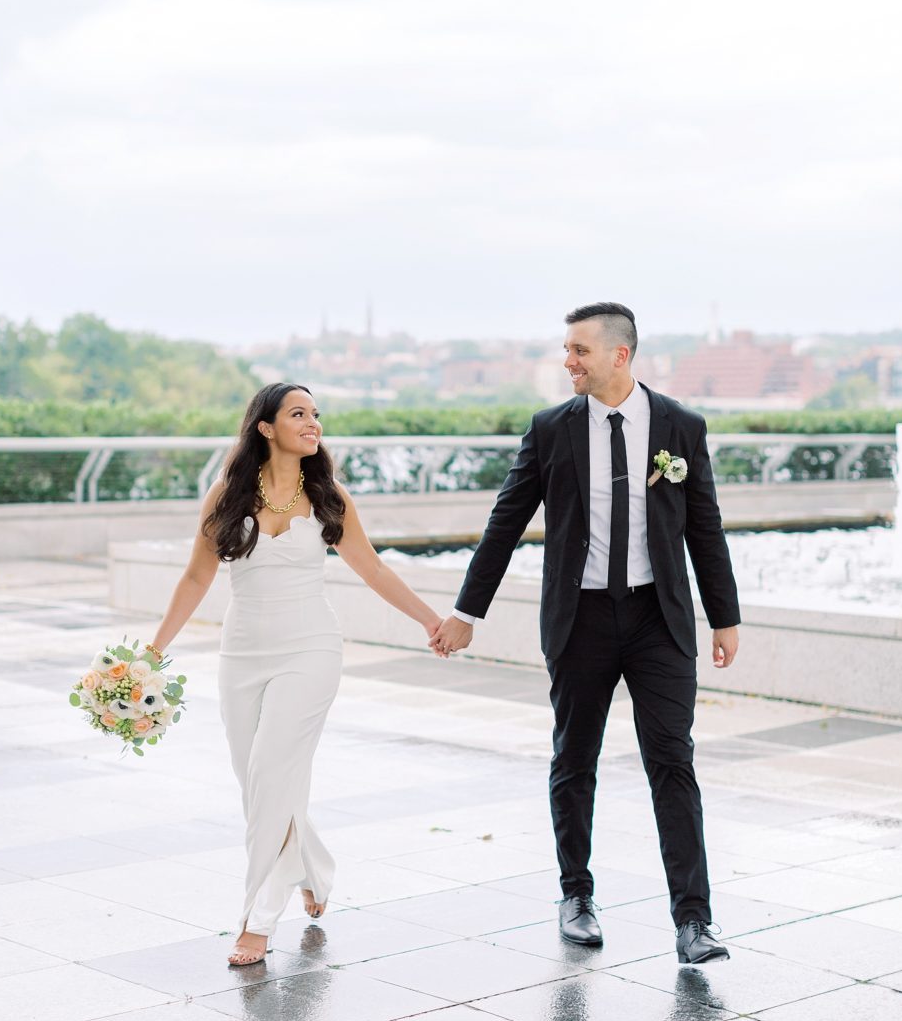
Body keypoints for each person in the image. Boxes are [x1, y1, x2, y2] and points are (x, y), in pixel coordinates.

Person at [431, 303, 741, 965]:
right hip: (581, 620)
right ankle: (575, 895)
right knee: (574, 759)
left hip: (659, 620)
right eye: (566, 350)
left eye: (578, 351)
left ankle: (693, 921)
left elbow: (703, 526)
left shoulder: (680, 427)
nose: (567, 361)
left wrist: (724, 617)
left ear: (618, 356)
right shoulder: (551, 430)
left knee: (672, 760)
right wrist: (466, 613)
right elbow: (504, 524)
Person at [148, 381, 446, 967]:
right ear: (265, 427)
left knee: (270, 769)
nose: (313, 423)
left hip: (310, 649)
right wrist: (152, 652)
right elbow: (195, 579)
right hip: (242, 653)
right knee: (255, 780)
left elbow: (373, 569)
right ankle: (310, 866)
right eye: (299, 414)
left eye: (316, 414)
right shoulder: (225, 495)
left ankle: (258, 920)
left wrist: (433, 620)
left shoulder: (329, 496)